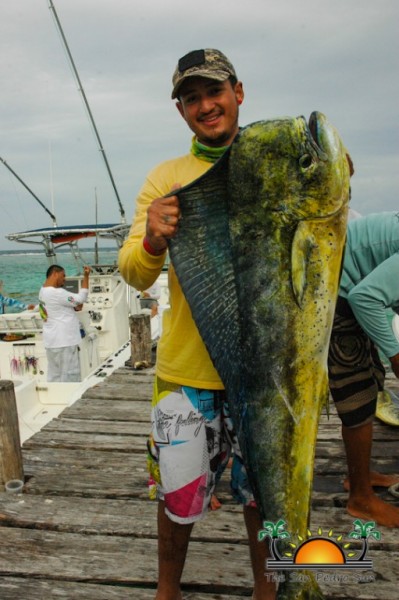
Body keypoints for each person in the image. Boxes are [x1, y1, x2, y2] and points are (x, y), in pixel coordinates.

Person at [119, 49, 276, 599]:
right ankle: (168, 590)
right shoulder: (166, 177)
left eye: (214, 92)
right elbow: (135, 274)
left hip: (264, 372)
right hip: (187, 373)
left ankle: (268, 587)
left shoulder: (273, 161)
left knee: (265, 492)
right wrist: (153, 238)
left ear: (238, 90)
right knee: (177, 495)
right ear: (181, 110)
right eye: (192, 98)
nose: (206, 106)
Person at [328, 211, 399, 528]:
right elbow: (365, 297)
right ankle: (360, 498)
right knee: (356, 392)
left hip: (356, 289)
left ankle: (362, 475)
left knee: (374, 379)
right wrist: (395, 354)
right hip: (335, 291)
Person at [39, 264, 91, 382]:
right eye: (63, 275)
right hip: (65, 341)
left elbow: (72, 306)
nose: (65, 278)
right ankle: (71, 399)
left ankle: (55, 398)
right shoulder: (57, 293)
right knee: (71, 374)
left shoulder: (42, 291)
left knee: (55, 375)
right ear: (55, 274)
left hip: (51, 341)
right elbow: (81, 298)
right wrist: (86, 276)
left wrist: (75, 305)